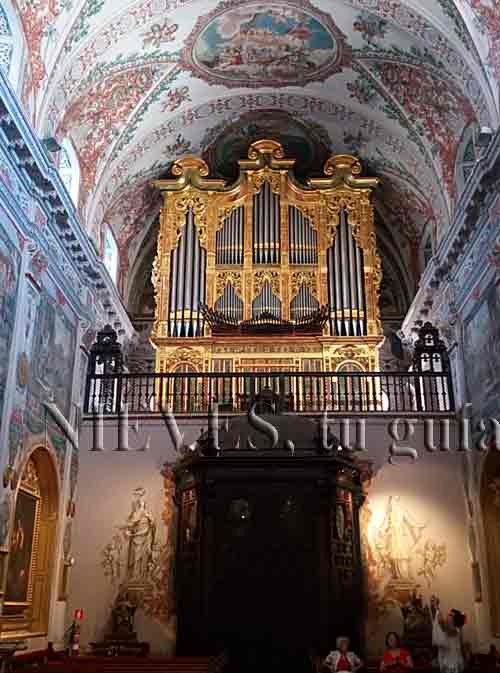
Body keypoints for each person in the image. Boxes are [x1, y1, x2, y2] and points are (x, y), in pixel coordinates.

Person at [431, 596, 466, 673]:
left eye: (450, 615)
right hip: (451, 662)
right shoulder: (454, 629)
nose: (447, 615)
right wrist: (436, 606)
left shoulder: (454, 631)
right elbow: (441, 622)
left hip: (452, 664)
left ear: (453, 621)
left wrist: (436, 606)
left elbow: (440, 622)